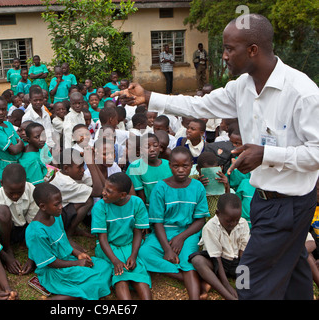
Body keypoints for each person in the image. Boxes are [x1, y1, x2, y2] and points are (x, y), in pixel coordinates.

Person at [114, 13, 319, 300]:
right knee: (295, 273)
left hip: (289, 205)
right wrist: (150, 96)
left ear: (253, 50)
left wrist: (266, 154)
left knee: (251, 280)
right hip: (264, 200)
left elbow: (317, 153)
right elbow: (201, 105)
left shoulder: (302, 93)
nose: (223, 56)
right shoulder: (242, 86)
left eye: (229, 48)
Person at [138, 147, 209, 300]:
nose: (181, 170)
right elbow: (157, 223)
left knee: (189, 258)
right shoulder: (160, 187)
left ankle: (194, 295)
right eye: (176, 166)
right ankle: (191, 278)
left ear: (192, 166)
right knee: (143, 253)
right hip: (163, 232)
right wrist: (167, 250)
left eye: (185, 166)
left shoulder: (197, 187)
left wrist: (181, 238)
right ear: (170, 166)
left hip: (189, 232)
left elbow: (200, 220)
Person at [25, 182, 111, 300]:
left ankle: (81, 290)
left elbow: (63, 240)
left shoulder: (56, 215)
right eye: (57, 204)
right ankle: (68, 295)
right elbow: (50, 262)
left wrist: (78, 254)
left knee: (105, 266)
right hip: (54, 271)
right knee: (95, 281)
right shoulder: (35, 232)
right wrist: (77, 263)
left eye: (61, 202)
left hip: (68, 260)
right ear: (43, 206)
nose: (61, 206)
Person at [91, 172, 152, 300]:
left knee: (138, 271)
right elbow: (102, 238)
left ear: (122, 195)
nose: (103, 193)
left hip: (130, 244)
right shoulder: (100, 207)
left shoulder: (137, 203)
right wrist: (115, 260)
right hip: (109, 246)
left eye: (109, 191)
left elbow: (137, 232)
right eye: (104, 188)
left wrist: (133, 255)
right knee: (120, 274)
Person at [0, 163, 38, 275]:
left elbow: (35, 223)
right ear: (1, 183)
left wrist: (32, 255)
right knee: (3, 212)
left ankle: (24, 243)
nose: (16, 196)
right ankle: (8, 249)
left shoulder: (31, 190)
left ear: (25, 184)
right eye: (11, 193)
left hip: (23, 229)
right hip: (4, 234)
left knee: (41, 212)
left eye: (19, 192)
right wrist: (6, 257)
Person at [189, 193, 250, 300]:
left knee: (258, 258)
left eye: (237, 220)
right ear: (217, 213)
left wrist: (242, 282)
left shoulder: (243, 223)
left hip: (237, 261)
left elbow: (243, 253)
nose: (233, 223)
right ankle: (226, 294)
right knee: (198, 260)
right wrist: (227, 286)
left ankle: (207, 284)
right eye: (229, 221)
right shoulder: (210, 228)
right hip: (218, 262)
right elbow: (216, 257)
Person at [50, 148, 103, 237]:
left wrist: (92, 161)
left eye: (83, 166)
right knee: (88, 200)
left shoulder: (74, 175)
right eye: (79, 167)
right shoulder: (65, 183)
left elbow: (102, 186)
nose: (83, 170)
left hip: (62, 210)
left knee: (86, 197)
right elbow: (98, 192)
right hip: (54, 219)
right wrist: (91, 164)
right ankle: (69, 234)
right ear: (66, 168)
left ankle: (74, 230)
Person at [126, 133, 172, 209]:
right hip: (147, 208)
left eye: (155, 145)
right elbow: (139, 196)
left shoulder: (168, 165)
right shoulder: (135, 166)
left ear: (160, 147)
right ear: (141, 150)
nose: (152, 149)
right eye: (147, 147)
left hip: (168, 207)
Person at [0, 96, 24, 184]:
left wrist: (19, 143)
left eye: (3, 109)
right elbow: (14, 150)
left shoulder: (7, 124)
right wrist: (20, 143)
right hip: (5, 167)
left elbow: (18, 141)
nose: (1, 112)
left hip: (16, 163)